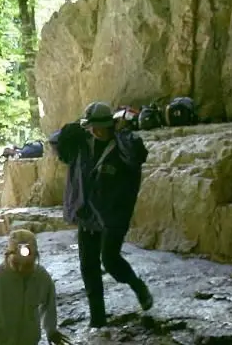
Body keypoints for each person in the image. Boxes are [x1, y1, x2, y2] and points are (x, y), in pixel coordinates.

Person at [50, 101, 154, 325]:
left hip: (113, 214)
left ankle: (138, 287)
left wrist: (123, 134)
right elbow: (57, 143)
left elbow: (137, 154)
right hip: (87, 212)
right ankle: (97, 319)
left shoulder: (121, 146)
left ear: (110, 125)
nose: (96, 132)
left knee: (110, 260)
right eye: (92, 127)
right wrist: (72, 128)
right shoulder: (81, 145)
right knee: (88, 266)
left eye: (100, 127)